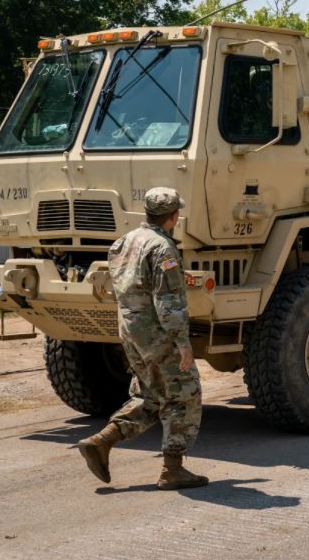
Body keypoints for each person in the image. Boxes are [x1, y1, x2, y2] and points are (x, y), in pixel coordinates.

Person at [75, 187, 208, 490]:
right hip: (156, 333)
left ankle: (101, 442)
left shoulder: (124, 242)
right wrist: (182, 343)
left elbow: (131, 285)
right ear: (173, 216)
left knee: (151, 394)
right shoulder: (162, 248)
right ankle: (173, 470)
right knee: (184, 393)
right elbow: (168, 302)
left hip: (130, 329)